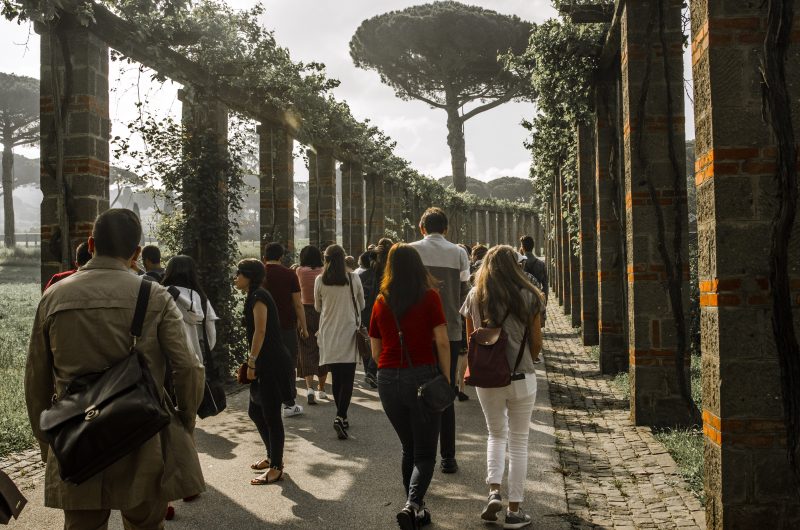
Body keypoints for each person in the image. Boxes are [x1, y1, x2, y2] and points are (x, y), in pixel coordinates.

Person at [25, 208, 205, 529]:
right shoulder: (155, 296)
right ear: (137, 252)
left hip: (77, 434)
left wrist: (47, 442)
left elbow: (35, 382)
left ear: (91, 244)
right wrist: (185, 422)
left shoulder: (53, 297)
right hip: (143, 436)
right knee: (145, 524)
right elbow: (189, 367)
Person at [460, 245, 543, 529]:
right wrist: (524, 359)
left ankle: (494, 491)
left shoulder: (474, 296)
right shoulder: (530, 295)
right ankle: (515, 510)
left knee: (495, 435)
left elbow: (473, 338)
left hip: (488, 377)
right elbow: (536, 343)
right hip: (522, 376)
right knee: (519, 443)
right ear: (515, 267)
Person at [369, 243, 451, 530]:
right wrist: (446, 376)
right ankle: (413, 504)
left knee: (408, 447)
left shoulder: (381, 299)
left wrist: (390, 368)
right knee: (426, 452)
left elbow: (375, 350)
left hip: (388, 378)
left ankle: (415, 509)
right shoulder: (429, 297)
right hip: (422, 376)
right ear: (418, 266)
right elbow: (441, 340)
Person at [409, 207, 470, 474]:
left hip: (417, 332)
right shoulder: (458, 252)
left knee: (414, 392)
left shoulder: (411, 251)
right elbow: (464, 290)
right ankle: (448, 457)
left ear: (421, 228)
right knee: (445, 393)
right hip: (451, 330)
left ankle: (418, 456)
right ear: (446, 229)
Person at [236, 258, 294, 485]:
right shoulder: (255, 295)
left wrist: (251, 362)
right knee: (255, 411)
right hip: (265, 361)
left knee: (271, 416)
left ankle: (276, 467)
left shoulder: (259, 296)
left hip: (271, 362)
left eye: (239, 273)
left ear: (249, 276)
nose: (236, 277)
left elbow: (260, 331)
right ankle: (272, 456)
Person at [315, 244, 365, 439]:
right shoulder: (353, 279)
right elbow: (361, 304)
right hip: (349, 331)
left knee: (336, 378)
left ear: (325, 260)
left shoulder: (320, 280)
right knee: (348, 378)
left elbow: (318, 307)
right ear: (344, 258)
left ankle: (341, 416)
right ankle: (341, 415)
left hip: (329, 333)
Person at [262, 242, 308, 418]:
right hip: (286, 325)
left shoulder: (260, 273)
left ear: (264, 256)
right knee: (288, 364)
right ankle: (289, 403)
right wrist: (304, 327)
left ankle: (268, 399)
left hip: (264, 326)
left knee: (267, 362)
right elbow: (297, 303)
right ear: (281, 257)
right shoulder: (289, 274)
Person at [161, 255, 218, 365]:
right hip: (194, 360)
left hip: (165, 361)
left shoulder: (160, 295)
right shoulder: (201, 298)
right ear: (193, 273)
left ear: (169, 272)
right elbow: (211, 335)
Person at [296, 245, 329, 404]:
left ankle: (309, 388)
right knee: (323, 349)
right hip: (323, 313)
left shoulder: (300, 271)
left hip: (305, 312)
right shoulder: (324, 272)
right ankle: (322, 389)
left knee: (306, 347)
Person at [360, 242, 391, 388]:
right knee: (384, 338)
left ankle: (371, 371)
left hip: (375, 304)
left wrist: (372, 252)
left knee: (376, 338)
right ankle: (372, 371)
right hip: (389, 303)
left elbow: (365, 260)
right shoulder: (391, 266)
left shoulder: (376, 266)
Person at [519, 236, 548, 302]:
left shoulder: (518, 263)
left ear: (522, 247)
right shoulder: (541, 264)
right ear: (532, 247)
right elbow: (545, 286)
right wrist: (544, 301)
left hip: (523, 302)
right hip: (537, 300)